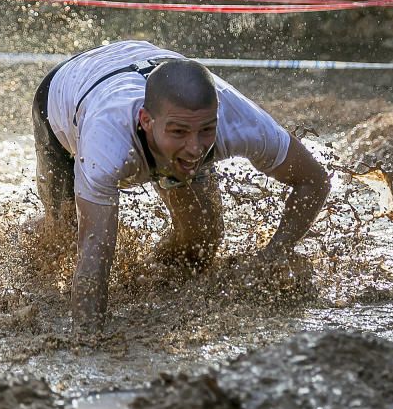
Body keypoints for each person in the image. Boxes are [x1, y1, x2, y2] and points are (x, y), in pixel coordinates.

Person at [31, 40, 331, 331]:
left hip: (143, 70)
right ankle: (28, 235)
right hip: (65, 92)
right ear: (145, 121)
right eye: (179, 132)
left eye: (207, 130)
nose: (195, 148)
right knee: (67, 239)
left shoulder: (240, 122)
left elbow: (314, 180)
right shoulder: (107, 145)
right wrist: (87, 343)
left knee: (202, 240)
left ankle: (152, 276)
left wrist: (272, 255)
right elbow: (94, 254)